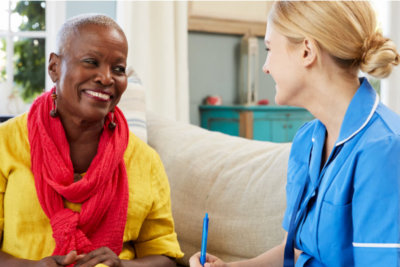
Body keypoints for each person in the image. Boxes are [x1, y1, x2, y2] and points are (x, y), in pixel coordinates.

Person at [190, 1, 400, 267]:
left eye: (269, 49)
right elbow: (294, 253)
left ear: (306, 51)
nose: (265, 66)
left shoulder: (384, 148)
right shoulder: (307, 140)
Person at [0, 14, 183, 267]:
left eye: (118, 69)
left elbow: (166, 257)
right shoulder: (5, 143)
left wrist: (123, 265)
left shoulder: (145, 160)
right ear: (54, 67)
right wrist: (34, 266)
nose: (107, 78)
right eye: (91, 62)